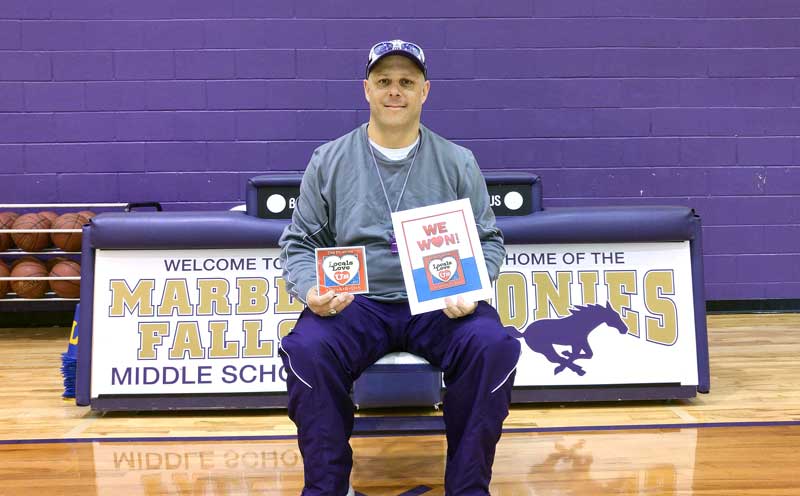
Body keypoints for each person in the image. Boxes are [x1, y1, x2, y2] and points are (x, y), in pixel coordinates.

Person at [277, 39, 521, 496]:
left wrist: (476, 287)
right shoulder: (328, 159)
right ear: (365, 89)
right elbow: (299, 242)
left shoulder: (457, 160)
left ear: (425, 91)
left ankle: (468, 488)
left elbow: (488, 240)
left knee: (493, 346)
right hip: (356, 303)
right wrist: (311, 290)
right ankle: (328, 488)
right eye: (384, 81)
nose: (395, 91)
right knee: (305, 350)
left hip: (436, 302)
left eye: (406, 82)